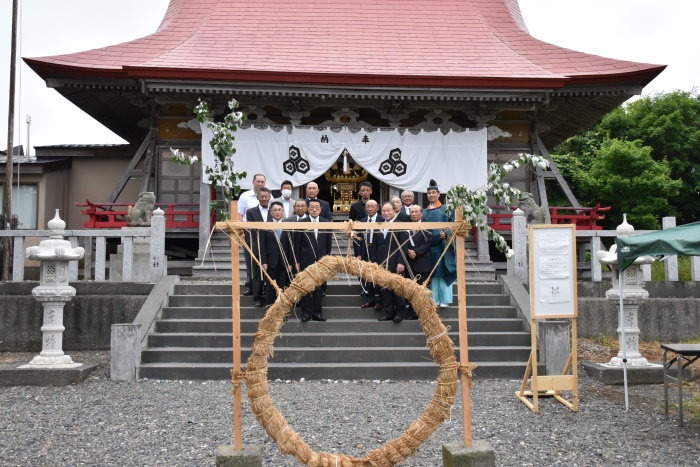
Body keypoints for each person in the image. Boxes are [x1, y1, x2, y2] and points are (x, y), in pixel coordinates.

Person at [293, 199, 332, 322]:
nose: (314, 210)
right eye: (311, 207)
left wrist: (327, 259)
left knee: (318, 288)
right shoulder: (302, 223)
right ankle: (305, 313)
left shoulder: (326, 223)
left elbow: (328, 244)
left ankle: (317, 313)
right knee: (306, 287)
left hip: (321, 261)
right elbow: (297, 244)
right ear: (307, 209)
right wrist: (297, 261)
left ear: (321, 209)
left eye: (317, 207)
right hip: (306, 260)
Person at [423, 179, 456, 309]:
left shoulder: (446, 209)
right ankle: (434, 299)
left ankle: (446, 299)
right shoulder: (424, 212)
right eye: (429, 193)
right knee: (433, 274)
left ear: (438, 194)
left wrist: (446, 233)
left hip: (443, 246)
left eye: (433, 193)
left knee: (444, 272)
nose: (431, 195)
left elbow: (454, 226)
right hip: (429, 247)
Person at [376, 202, 407, 322]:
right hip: (382, 262)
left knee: (397, 289)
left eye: (388, 211)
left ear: (394, 211)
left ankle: (400, 312)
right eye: (384, 211)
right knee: (385, 290)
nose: (386, 213)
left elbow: (404, 246)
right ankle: (388, 312)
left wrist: (401, 262)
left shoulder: (400, 225)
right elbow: (378, 245)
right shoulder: (379, 225)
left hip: (395, 262)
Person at [238, 173, 266, 296]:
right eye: (258, 181)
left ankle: (263, 285)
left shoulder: (268, 196)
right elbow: (240, 216)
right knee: (250, 259)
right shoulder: (245, 196)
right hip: (249, 233)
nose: (260, 184)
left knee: (264, 259)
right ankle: (249, 285)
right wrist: (241, 232)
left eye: (262, 182)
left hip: (265, 234)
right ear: (253, 182)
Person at [261, 201, 293, 308]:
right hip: (270, 262)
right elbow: (262, 245)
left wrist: (290, 263)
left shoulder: (287, 226)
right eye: (275, 210)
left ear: (283, 211)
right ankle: (270, 309)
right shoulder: (266, 226)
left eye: (279, 210)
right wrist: (264, 261)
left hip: (284, 262)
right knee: (271, 286)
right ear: (271, 212)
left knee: (282, 286)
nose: (277, 212)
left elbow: (290, 246)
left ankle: (281, 310)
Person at [403, 205, 433, 320]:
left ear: (421, 213)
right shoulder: (406, 226)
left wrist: (416, 252)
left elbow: (428, 242)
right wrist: (408, 250)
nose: (414, 214)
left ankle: (424, 312)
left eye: (416, 212)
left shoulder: (427, 226)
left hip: (423, 261)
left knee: (422, 289)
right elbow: (402, 241)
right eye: (412, 212)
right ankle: (412, 312)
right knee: (411, 289)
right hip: (409, 262)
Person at [246, 186, 272, 308]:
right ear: (257, 197)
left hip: (272, 245)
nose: (264, 199)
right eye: (262, 196)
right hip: (257, 244)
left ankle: (270, 297)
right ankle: (257, 297)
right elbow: (252, 230)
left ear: (270, 197)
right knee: (258, 272)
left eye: (266, 196)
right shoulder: (251, 212)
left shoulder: (275, 210)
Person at [354, 199, 381, 309]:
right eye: (368, 206)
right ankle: (369, 299)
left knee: (377, 276)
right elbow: (358, 238)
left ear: (377, 208)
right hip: (364, 251)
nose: (370, 208)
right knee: (364, 276)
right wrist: (358, 253)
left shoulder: (382, 220)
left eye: (372, 206)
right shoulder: (362, 221)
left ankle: (379, 301)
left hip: (377, 251)